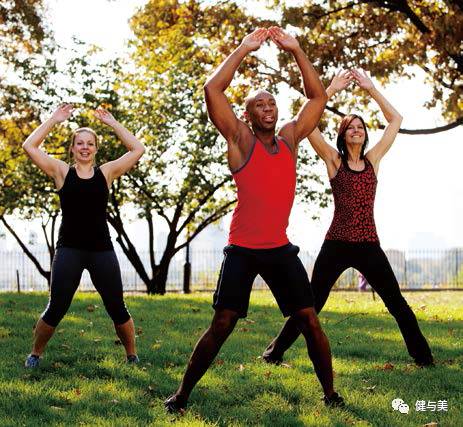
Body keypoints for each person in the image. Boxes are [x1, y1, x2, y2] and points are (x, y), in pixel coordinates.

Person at [164, 27, 344, 413]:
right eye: (260, 105)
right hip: (243, 250)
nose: (269, 109)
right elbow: (213, 91)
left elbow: (318, 97)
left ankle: (330, 395)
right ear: (247, 115)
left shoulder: (290, 139)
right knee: (223, 323)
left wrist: (296, 48)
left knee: (309, 320)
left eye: (272, 104)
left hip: (279, 249)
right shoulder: (241, 141)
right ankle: (181, 396)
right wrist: (243, 48)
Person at [262, 69, 434, 367]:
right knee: (311, 305)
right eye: (350, 127)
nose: (357, 130)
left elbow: (396, 120)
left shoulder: (373, 160)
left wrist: (371, 88)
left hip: (368, 244)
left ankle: (424, 359)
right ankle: (274, 353)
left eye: (361, 127)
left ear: (365, 134)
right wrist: (330, 89)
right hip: (337, 244)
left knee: (396, 303)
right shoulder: (333, 160)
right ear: (342, 134)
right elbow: (306, 124)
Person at [22, 104, 145, 368]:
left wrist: (113, 123)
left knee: (116, 306)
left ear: (96, 148)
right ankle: (35, 354)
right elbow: (29, 147)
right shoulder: (61, 172)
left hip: (101, 249)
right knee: (57, 306)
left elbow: (138, 149)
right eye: (80, 143)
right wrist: (53, 120)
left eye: (90, 143)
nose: (85, 147)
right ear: (73, 148)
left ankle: (132, 356)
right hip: (70, 250)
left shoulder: (107, 173)